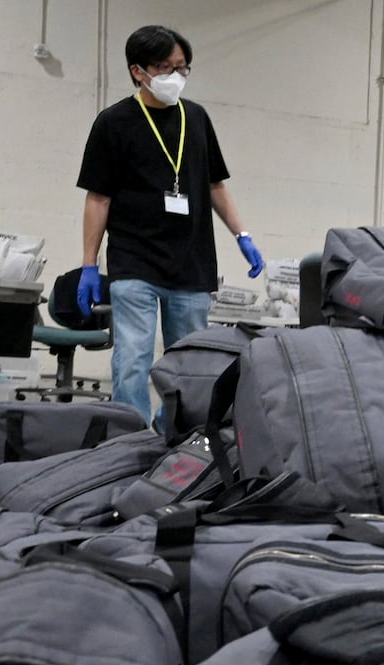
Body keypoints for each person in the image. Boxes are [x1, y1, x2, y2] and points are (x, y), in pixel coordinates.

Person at [76, 25, 263, 423]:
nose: (175, 76)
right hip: (134, 261)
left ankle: (172, 440)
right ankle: (128, 442)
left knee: (190, 365)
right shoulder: (113, 123)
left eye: (182, 67)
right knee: (132, 359)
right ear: (138, 71)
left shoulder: (196, 118)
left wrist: (242, 235)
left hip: (191, 263)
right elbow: (98, 198)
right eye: (164, 68)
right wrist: (90, 264)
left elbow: (215, 184)